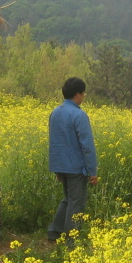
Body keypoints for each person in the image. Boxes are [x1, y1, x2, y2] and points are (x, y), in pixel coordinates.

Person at [47, 77, 98, 242]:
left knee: (68, 199)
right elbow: (87, 146)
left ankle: (54, 232)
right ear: (78, 94)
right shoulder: (79, 115)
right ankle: (71, 240)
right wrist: (92, 171)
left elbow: (55, 142)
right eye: (83, 93)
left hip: (61, 165)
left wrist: (57, 168)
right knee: (76, 203)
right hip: (76, 167)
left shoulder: (55, 113)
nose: (83, 97)